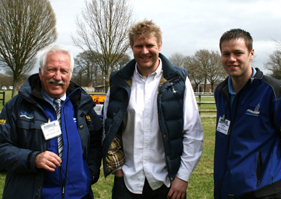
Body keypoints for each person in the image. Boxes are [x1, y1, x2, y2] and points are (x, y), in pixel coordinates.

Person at [102, 19, 203, 199]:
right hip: (127, 182)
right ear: (131, 46)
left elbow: (193, 133)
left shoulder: (179, 81)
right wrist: (118, 170)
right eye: (139, 46)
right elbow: (108, 128)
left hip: (168, 182)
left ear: (160, 45)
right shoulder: (118, 82)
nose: (145, 51)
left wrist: (183, 177)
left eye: (150, 45)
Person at [0, 45, 102, 199]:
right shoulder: (16, 106)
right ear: (40, 72)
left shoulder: (83, 105)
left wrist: (91, 172)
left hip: (79, 195)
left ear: (70, 74)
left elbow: (95, 141)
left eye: (63, 71)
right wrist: (32, 159)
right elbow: (2, 148)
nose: (58, 76)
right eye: (51, 69)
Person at [214, 28, 281, 198]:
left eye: (238, 53)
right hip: (225, 188)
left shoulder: (276, 92)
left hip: (263, 190)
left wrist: (265, 166)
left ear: (251, 53)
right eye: (226, 54)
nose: (231, 59)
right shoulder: (221, 91)